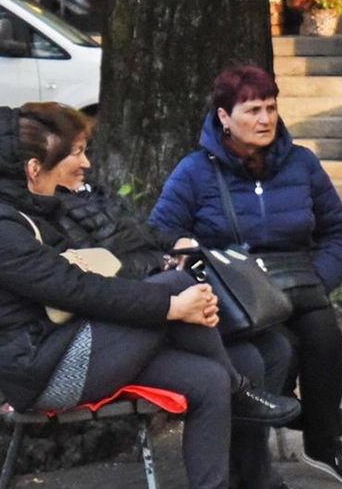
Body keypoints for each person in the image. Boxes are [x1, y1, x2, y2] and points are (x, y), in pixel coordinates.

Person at [0, 103, 300, 489]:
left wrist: (176, 306)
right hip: (43, 373)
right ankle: (241, 393)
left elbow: (88, 282)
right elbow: (77, 289)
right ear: (33, 169)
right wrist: (173, 307)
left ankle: (230, 406)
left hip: (67, 346)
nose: (74, 171)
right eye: (56, 162)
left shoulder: (17, 215)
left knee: (208, 378)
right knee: (176, 286)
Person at [152, 66, 342, 487]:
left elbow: (339, 231)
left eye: (271, 107)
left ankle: (323, 441)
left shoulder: (302, 164)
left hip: (296, 283)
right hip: (234, 295)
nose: (265, 119)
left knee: (324, 336)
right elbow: (160, 231)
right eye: (252, 109)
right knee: (276, 352)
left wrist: (320, 278)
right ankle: (257, 462)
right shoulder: (196, 171)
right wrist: (182, 245)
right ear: (223, 117)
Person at [50, 161, 297, 489]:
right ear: (43, 162)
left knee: (276, 346)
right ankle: (250, 456)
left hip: (161, 302)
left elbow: (148, 235)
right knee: (243, 359)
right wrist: (163, 268)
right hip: (134, 320)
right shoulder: (50, 213)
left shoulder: (96, 194)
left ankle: (251, 470)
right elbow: (102, 278)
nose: (87, 161)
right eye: (76, 151)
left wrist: (178, 245)